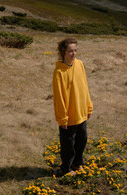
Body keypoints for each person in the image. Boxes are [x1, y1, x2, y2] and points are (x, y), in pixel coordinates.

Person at [52, 38, 93, 176]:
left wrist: (88, 107)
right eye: (70, 51)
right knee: (68, 146)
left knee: (81, 141)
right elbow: (59, 98)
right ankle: (66, 169)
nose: (74, 54)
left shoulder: (79, 64)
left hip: (81, 113)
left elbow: (85, 87)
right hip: (69, 116)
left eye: (75, 50)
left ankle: (77, 164)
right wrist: (62, 118)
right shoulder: (59, 72)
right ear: (63, 52)